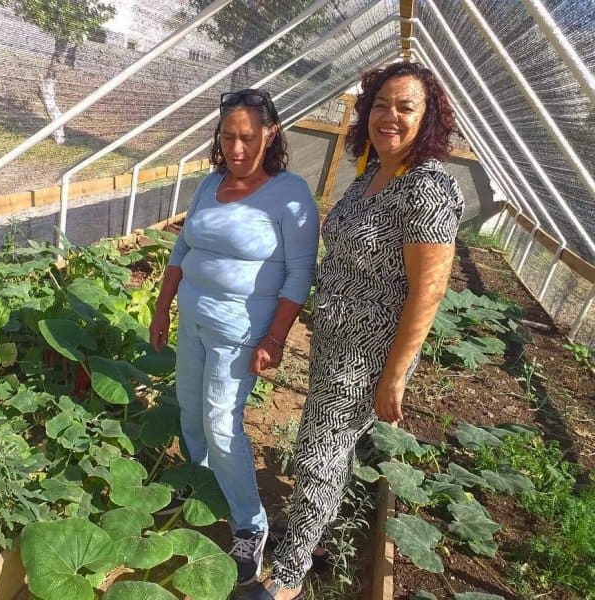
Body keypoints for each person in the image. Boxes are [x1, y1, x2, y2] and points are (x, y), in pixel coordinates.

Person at [243, 62, 464, 600]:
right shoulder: (374, 173)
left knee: (321, 451)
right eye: (382, 105)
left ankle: (289, 577)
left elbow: (427, 292)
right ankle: (311, 538)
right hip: (334, 343)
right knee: (328, 447)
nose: (390, 117)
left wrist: (395, 375)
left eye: (406, 107)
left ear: (427, 117)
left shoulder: (428, 190)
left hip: (367, 356)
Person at [149, 88, 319, 587]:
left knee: (223, 425)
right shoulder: (210, 183)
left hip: (240, 334)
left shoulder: (290, 194)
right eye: (228, 137)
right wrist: (162, 310)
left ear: (271, 135)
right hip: (192, 321)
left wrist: (276, 337)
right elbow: (181, 248)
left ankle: (250, 524)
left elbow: (299, 273)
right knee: (188, 408)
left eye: (248, 137)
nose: (237, 148)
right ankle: (199, 483)